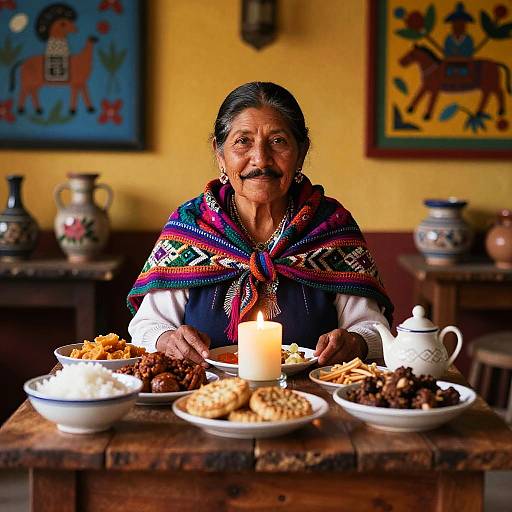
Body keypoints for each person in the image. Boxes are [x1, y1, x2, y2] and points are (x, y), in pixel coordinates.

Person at [127, 82, 393, 367]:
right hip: (205, 397)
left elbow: (375, 331)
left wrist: (357, 342)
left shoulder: (330, 227)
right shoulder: (191, 225)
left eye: (278, 141)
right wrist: (166, 339)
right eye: (243, 141)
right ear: (220, 154)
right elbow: (146, 326)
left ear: (301, 152)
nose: (261, 159)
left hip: (312, 396)